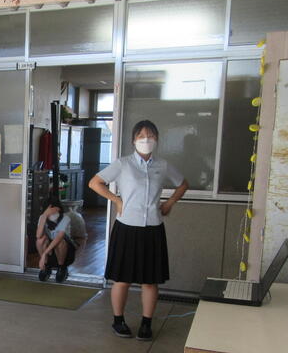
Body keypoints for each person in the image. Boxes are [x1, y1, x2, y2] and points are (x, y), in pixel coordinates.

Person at [88, 120, 188, 341]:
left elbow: (183, 184)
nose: (146, 139)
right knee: (122, 279)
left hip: (153, 227)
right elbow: (95, 183)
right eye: (141, 136)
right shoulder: (123, 164)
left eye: (150, 135)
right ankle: (118, 320)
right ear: (133, 140)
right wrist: (116, 200)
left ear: (157, 139)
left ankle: (146, 324)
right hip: (126, 227)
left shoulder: (162, 165)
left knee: (150, 281)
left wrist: (170, 203)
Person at [36, 199, 78, 283]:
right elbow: (38, 235)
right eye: (50, 209)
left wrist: (44, 254)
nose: (53, 211)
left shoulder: (65, 218)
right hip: (50, 248)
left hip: (65, 248)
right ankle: (46, 267)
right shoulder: (42, 217)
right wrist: (44, 216)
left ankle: (61, 268)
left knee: (60, 242)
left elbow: (59, 237)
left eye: (55, 208)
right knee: (40, 240)